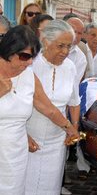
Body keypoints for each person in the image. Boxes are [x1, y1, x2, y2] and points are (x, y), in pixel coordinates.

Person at [0, 25, 79, 194]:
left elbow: (47, 108)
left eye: (32, 57)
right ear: (9, 51)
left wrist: (70, 128)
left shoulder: (28, 75)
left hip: (16, 153)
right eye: (25, 56)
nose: (29, 62)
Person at [24, 20, 81, 195]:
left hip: (58, 140)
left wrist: (74, 128)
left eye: (69, 46)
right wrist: (23, 135)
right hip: (29, 138)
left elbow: (74, 102)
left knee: (51, 187)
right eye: (60, 46)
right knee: (25, 185)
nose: (65, 52)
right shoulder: (30, 65)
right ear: (46, 42)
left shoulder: (70, 67)